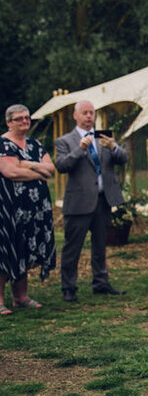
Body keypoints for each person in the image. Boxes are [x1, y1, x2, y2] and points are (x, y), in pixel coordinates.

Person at [55, 100, 128, 301]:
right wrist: (79, 149)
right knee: (73, 247)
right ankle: (68, 287)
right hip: (79, 202)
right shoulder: (65, 140)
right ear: (75, 116)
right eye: (85, 113)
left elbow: (123, 159)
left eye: (91, 113)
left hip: (103, 200)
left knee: (100, 245)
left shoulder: (103, 137)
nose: (89, 116)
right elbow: (61, 166)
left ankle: (101, 282)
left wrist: (114, 147)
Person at [0, 105, 56, 314]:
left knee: (24, 249)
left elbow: (50, 168)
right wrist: (38, 170)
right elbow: (10, 172)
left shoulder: (34, 144)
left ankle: (20, 297)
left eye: (27, 118)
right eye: (19, 119)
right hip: (9, 208)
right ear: (8, 122)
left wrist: (26, 164)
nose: (24, 122)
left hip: (34, 209)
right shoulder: (3, 144)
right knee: (6, 250)